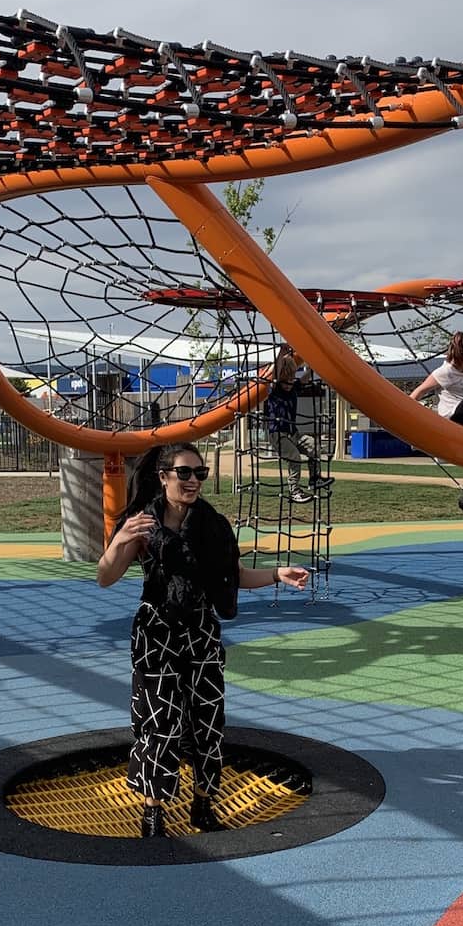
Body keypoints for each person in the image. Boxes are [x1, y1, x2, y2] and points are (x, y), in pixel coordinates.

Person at [97, 443, 309, 840]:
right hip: (156, 630)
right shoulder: (142, 524)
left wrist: (277, 574)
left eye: (200, 473)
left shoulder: (211, 525)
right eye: (184, 473)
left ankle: (203, 800)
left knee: (207, 720)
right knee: (158, 721)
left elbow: (234, 575)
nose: (193, 481)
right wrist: (120, 539)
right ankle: (153, 810)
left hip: (200, 631)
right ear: (164, 476)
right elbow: (105, 576)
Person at [264, 346, 325, 503]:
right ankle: (294, 491)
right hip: (277, 433)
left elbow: (304, 379)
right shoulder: (275, 390)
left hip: (293, 432)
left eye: (291, 380)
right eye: (286, 381)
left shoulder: (293, 388)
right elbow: (276, 374)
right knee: (294, 457)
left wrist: (314, 365)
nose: (289, 384)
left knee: (314, 447)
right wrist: (282, 354)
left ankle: (314, 479)